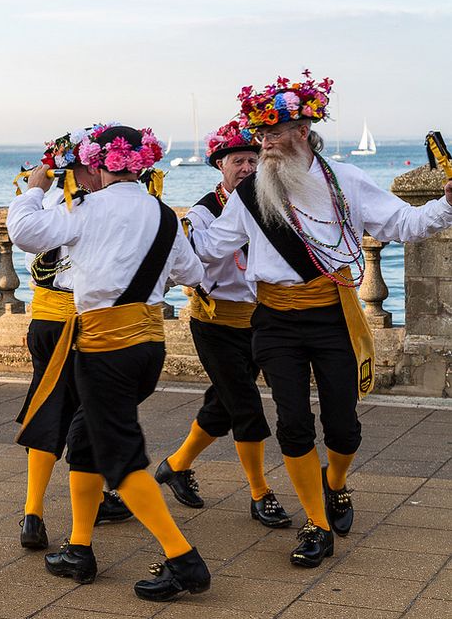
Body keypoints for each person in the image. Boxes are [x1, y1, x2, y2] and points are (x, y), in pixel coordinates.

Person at [189, 72, 452, 568]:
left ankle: (335, 485)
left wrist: (445, 205)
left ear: (303, 130)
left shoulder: (346, 180)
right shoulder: (249, 195)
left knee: (344, 428)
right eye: (259, 134)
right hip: (273, 321)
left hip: (334, 317)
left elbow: (401, 224)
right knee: (292, 424)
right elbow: (206, 249)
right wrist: (151, 232)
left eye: (273, 132)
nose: (263, 143)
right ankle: (316, 521)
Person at [7, 125, 211, 601]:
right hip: (148, 346)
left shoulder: (88, 209)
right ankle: (78, 547)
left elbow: (24, 233)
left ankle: (184, 560)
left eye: (83, 168)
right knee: (84, 440)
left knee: (120, 456)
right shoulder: (163, 213)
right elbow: (193, 272)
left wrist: (37, 185)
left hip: (105, 347)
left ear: (99, 165)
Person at [156, 121, 290, 529]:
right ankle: (260, 493)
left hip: (260, 319)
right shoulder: (202, 212)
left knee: (222, 407)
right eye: (238, 161)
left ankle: (175, 466)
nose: (248, 167)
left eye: (254, 159)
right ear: (221, 166)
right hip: (215, 322)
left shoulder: (272, 202)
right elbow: (195, 260)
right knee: (246, 406)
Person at [15, 126, 132, 552]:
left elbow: (27, 236)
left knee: (48, 407)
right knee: (90, 414)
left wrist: (33, 187)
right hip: (84, 323)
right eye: (97, 165)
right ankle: (89, 506)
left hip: (45, 319)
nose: (101, 172)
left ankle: (34, 512)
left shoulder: (46, 200)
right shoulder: (89, 206)